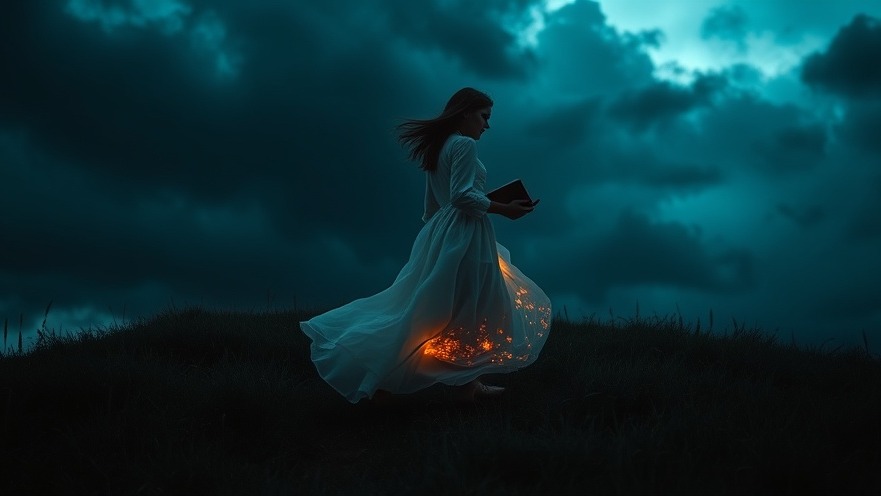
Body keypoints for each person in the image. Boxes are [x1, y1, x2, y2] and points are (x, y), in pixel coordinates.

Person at [300, 87, 551, 403]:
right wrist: (505, 209)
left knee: (450, 305)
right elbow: (461, 197)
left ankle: (466, 383)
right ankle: (462, 384)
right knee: (474, 305)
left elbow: (431, 208)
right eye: (484, 117)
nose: (487, 125)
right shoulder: (464, 145)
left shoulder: (441, 147)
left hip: (444, 233)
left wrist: (440, 236)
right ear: (465, 113)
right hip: (465, 234)